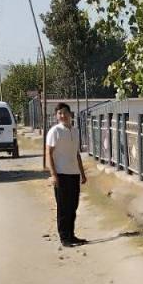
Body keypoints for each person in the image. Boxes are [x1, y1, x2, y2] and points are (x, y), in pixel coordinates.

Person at [45, 103, 87, 247]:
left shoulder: (75, 131)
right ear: (56, 116)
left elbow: (76, 154)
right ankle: (64, 237)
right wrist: (53, 175)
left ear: (70, 114)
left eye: (65, 112)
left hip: (73, 173)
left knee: (73, 206)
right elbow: (49, 153)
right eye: (59, 113)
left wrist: (82, 173)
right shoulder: (55, 131)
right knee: (63, 207)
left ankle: (71, 235)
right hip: (61, 174)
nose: (62, 116)